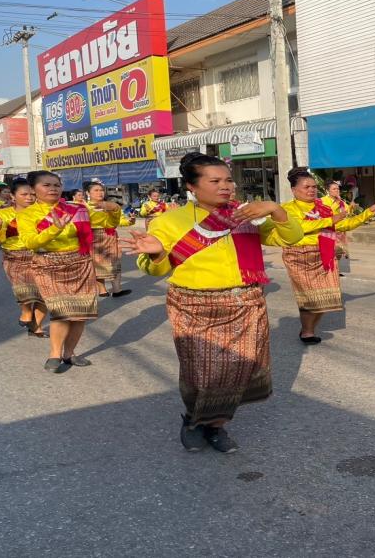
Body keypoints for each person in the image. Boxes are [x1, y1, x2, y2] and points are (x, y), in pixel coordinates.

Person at [121, 153, 303, 453]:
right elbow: (155, 269)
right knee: (202, 373)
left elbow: (290, 238)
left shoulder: (246, 214)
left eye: (228, 180)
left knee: (239, 371)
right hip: (193, 306)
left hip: (245, 302)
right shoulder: (169, 221)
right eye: (215, 181)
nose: (225, 186)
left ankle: (217, 425)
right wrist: (156, 253)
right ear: (191, 187)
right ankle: (194, 420)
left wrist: (276, 210)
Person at [281, 170, 375, 344]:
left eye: (314, 187)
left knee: (325, 297)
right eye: (306, 187)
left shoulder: (323, 208)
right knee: (308, 298)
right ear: (294, 190)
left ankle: (309, 329)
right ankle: (307, 331)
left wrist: (368, 212)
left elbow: (344, 224)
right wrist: (331, 220)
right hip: (299, 257)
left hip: (324, 254)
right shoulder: (287, 209)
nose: (311, 190)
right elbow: (299, 227)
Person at [18, 171, 97, 373]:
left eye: (56, 184)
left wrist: (113, 210)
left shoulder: (77, 209)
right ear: (33, 189)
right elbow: (30, 242)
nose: (53, 188)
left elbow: (105, 223)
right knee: (61, 311)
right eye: (46, 185)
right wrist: (54, 229)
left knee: (80, 313)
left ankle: (69, 353)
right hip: (48, 264)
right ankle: (55, 354)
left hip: (80, 263)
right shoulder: (27, 214)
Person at [0, 178, 47, 338]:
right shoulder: (3, 214)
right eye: (24, 194)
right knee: (24, 289)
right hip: (15, 256)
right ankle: (26, 311)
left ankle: (36, 326)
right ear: (13, 196)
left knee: (45, 294)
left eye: (32, 194)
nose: (29, 197)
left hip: (41, 255)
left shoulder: (44, 212)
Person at [84, 180, 133, 298]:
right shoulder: (84, 207)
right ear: (88, 193)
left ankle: (117, 290)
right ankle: (102, 290)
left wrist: (129, 221)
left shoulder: (111, 205)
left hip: (110, 235)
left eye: (101, 190)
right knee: (97, 264)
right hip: (93, 237)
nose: (100, 193)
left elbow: (118, 220)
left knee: (114, 262)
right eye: (96, 190)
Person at [322, 181, 352, 268]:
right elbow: (328, 213)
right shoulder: (323, 201)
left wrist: (351, 208)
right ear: (327, 191)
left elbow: (347, 211)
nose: (337, 190)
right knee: (330, 254)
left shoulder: (341, 201)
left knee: (341, 254)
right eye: (334, 189)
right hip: (329, 231)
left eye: (338, 189)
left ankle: (340, 269)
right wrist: (337, 203)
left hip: (341, 232)